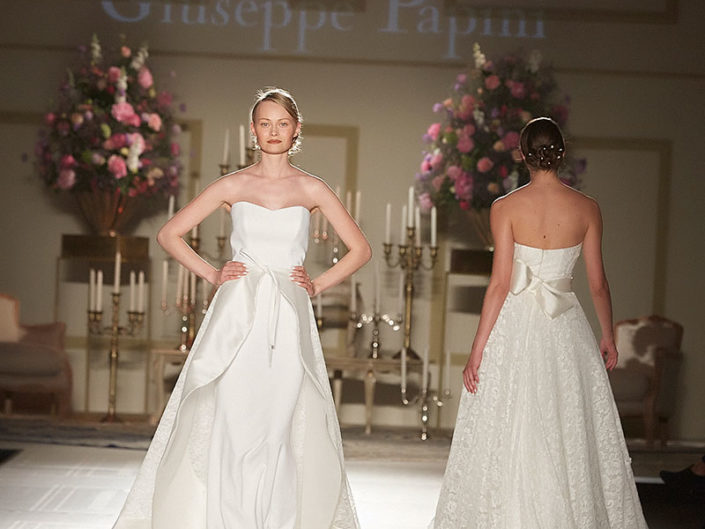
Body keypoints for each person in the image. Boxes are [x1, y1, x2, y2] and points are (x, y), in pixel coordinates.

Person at [112, 87, 370, 529]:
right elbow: (169, 234)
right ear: (253, 130)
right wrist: (213, 274)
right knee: (233, 421)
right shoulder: (233, 185)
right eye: (265, 123)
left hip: (287, 316)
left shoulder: (312, 188)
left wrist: (316, 284)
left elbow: (360, 249)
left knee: (278, 425)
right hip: (237, 314)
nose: (274, 131)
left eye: (282, 124)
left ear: (296, 130)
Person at [432, 117, 648, 528]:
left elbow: (499, 284)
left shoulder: (505, 207)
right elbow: (598, 284)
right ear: (561, 152)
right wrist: (608, 335)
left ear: (522, 154)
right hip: (566, 326)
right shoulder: (587, 208)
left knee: (511, 419)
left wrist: (477, 349)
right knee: (566, 421)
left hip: (514, 325)